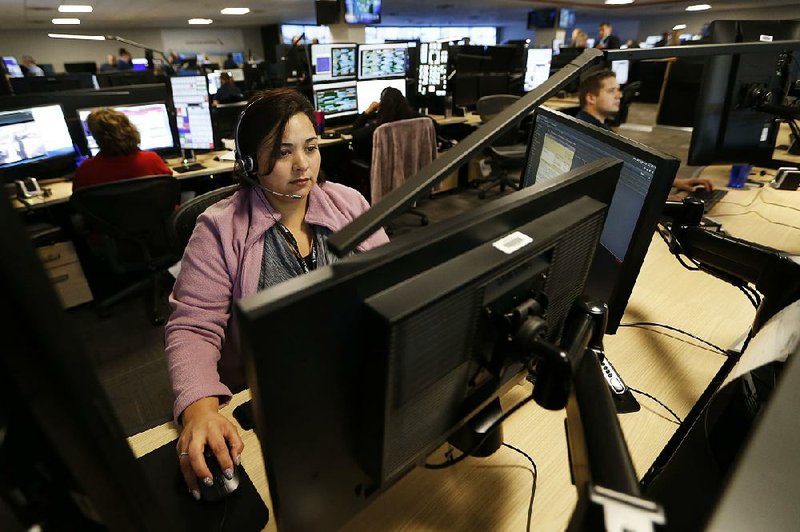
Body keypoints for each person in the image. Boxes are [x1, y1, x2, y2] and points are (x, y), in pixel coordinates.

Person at [165, 88, 389, 499]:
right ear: (250, 163)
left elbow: (390, 285)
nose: (303, 165)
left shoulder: (349, 203)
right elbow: (192, 327)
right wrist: (200, 411)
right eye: (284, 153)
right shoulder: (219, 229)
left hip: (344, 379)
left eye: (311, 147)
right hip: (266, 394)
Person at [576, 70, 712, 193]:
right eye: (611, 91)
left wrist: (676, 183)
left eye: (618, 90)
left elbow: (626, 169)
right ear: (591, 98)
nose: (620, 95)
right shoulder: (589, 134)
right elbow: (607, 184)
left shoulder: (599, 127)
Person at [72, 108, 171, 190]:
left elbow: (78, 201)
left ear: (96, 137)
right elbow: (170, 187)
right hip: (155, 213)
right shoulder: (151, 159)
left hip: (107, 214)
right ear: (130, 129)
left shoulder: (86, 170)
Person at [350, 87, 438, 161]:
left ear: (382, 106)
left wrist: (366, 113)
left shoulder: (380, 128)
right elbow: (436, 126)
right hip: (415, 170)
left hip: (387, 173)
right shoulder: (418, 119)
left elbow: (354, 134)